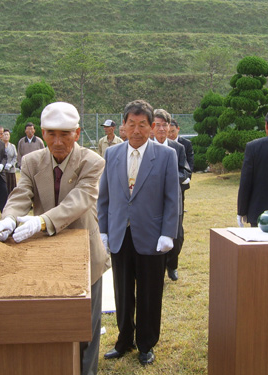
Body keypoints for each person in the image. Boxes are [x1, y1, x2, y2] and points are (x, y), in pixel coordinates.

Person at [0, 102, 110, 375]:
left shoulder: (92, 161)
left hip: (85, 252)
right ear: (42, 133)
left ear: (77, 133)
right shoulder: (32, 161)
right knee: (51, 316)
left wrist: (41, 221)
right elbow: (23, 193)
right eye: (51, 134)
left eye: (65, 134)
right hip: (47, 254)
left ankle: (87, 371)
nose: (58, 142)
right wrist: (9, 217)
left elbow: (80, 201)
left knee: (86, 324)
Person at [98, 100, 180, 366]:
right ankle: (124, 340)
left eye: (142, 124)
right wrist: (104, 231)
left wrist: (168, 233)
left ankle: (146, 343)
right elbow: (105, 197)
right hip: (121, 234)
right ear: (123, 126)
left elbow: (172, 198)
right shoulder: (112, 154)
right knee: (122, 291)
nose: (136, 130)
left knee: (149, 291)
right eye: (131, 124)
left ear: (152, 126)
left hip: (153, 236)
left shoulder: (166, 155)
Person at [153, 109, 191, 281]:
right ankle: (156, 269)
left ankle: (172, 266)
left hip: (175, 199)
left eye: (165, 125)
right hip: (152, 201)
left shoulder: (178, 148)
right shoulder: (147, 147)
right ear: (152, 127)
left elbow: (185, 171)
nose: (161, 129)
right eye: (158, 125)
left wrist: (169, 179)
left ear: (170, 127)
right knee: (154, 234)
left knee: (177, 235)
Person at [2, 128, 17, 195]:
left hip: (11, 169)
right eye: (5, 134)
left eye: (8, 134)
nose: (6, 136)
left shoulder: (12, 146)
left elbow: (15, 156)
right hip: (2, 170)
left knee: (11, 185)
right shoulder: (0, 145)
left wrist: (11, 164)